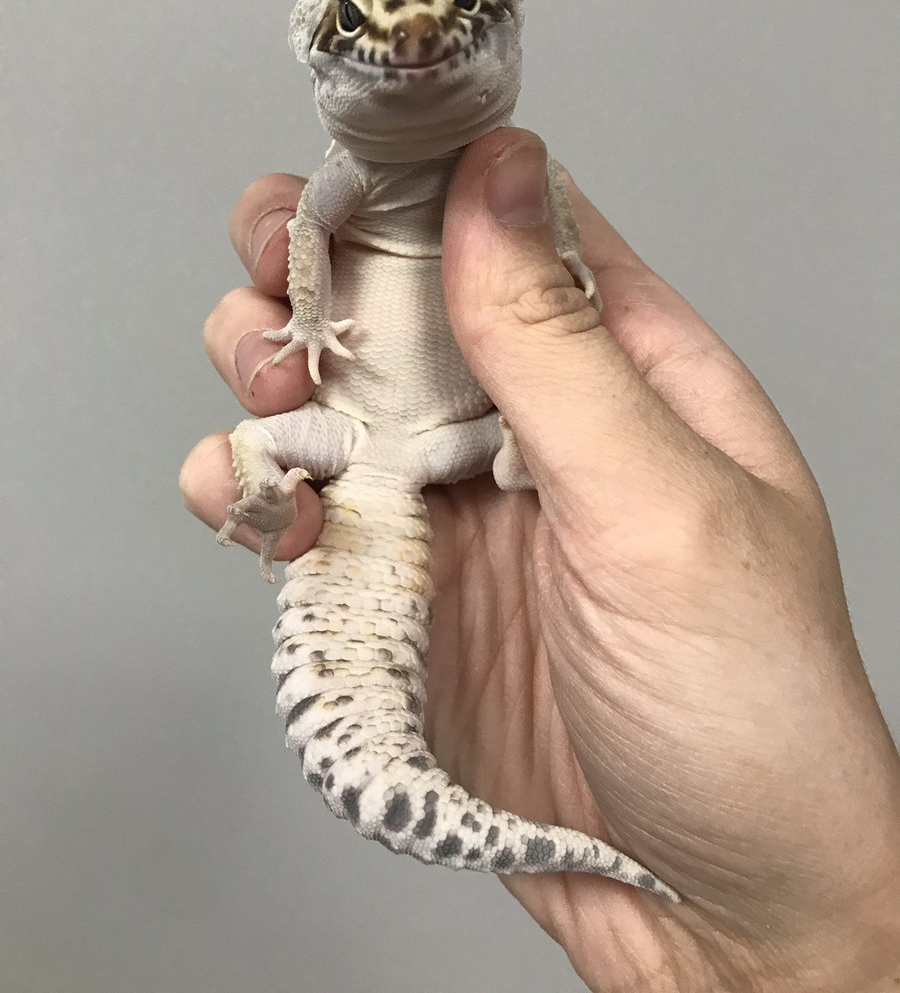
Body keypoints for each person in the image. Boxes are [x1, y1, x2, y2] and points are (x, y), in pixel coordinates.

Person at [180, 128, 900, 991]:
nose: (414, 35)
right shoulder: (357, 176)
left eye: (462, 1)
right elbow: (303, 232)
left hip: (456, 444)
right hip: (364, 441)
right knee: (257, 444)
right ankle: (267, 492)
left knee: (423, 441)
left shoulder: (500, 183)